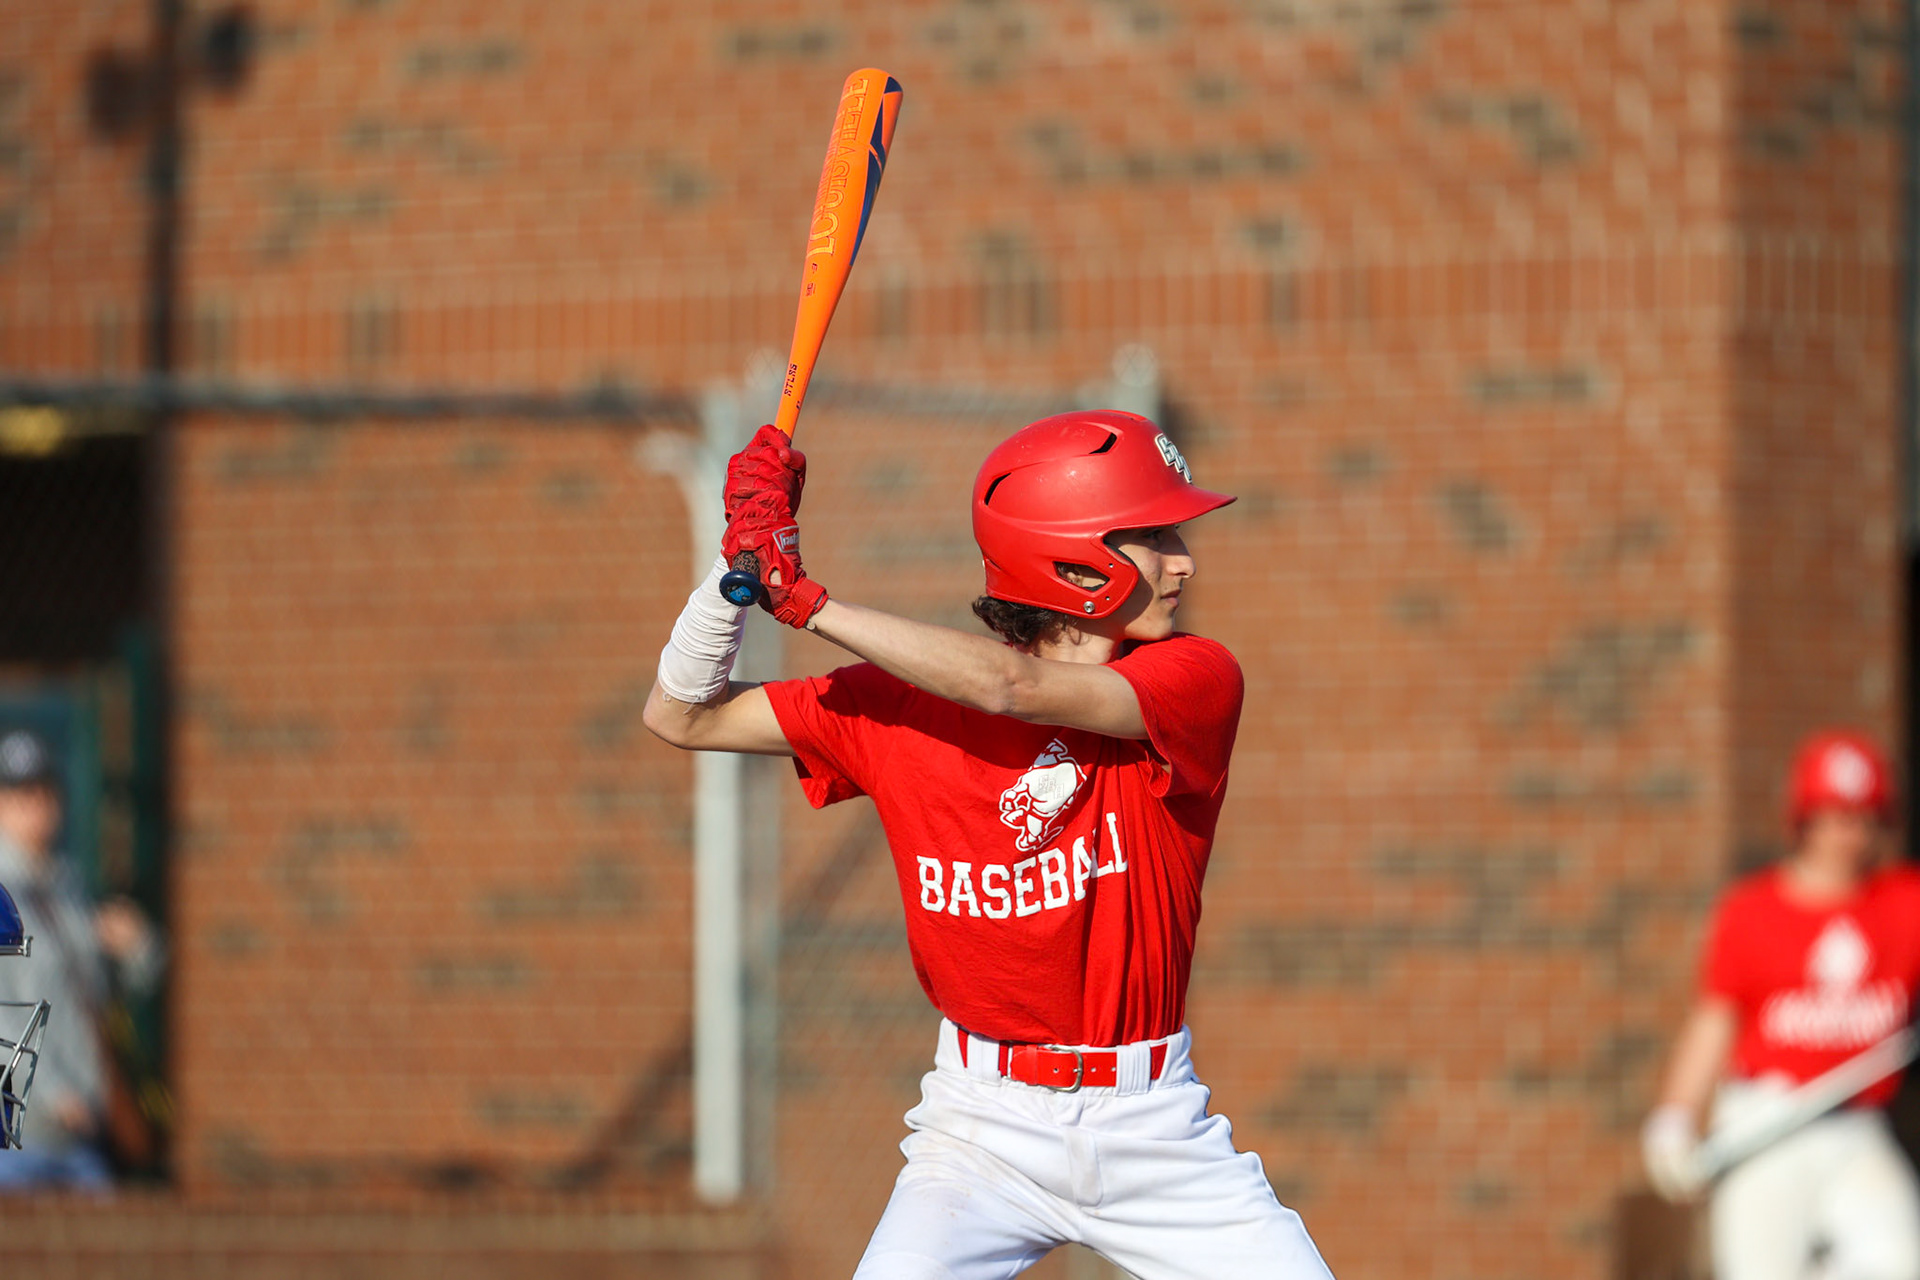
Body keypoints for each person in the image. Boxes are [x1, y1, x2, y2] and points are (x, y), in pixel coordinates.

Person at [644, 411, 1334, 1279]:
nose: (1184, 558)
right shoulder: (896, 707)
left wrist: (809, 605)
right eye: (1152, 536)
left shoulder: (1194, 679)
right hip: (980, 1131)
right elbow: (681, 713)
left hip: (1156, 1129)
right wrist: (736, 570)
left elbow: (1014, 689)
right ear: (1075, 560)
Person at [1642, 730, 1920, 1280]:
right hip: (1767, 1120)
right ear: (1805, 820)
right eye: (1837, 817)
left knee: (1900, 1260)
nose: (1853, 835)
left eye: (1866, 818)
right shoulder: (1751, 912)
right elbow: (1715, 1021)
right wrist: (1674, 1116)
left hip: (1855, 1125)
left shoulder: (1903, 902)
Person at [0, 727, 161, 1191]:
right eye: (19, 793)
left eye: (44, 790)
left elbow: (109, 992)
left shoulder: (66, 890)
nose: (36, 805)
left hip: (81, 1132)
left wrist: (136, 949)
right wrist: (52, 1092)